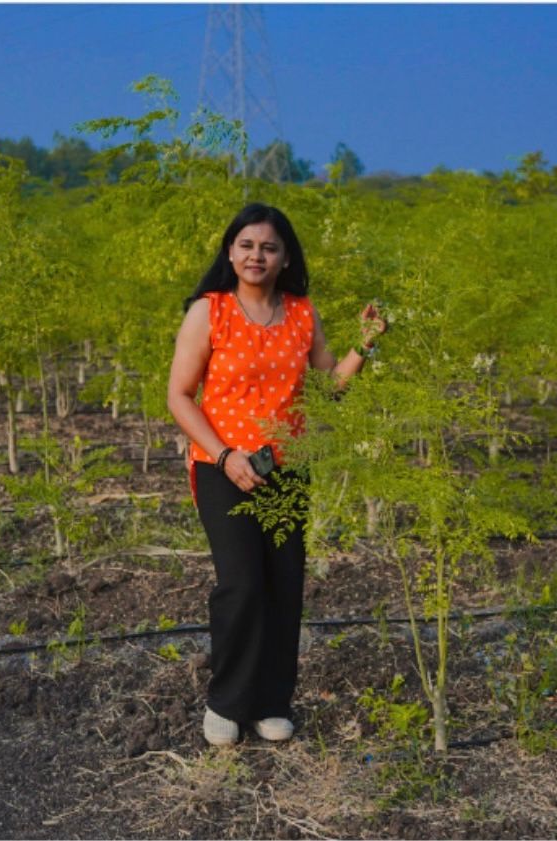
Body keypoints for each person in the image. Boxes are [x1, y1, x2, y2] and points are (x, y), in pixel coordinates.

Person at [167, 203, 386, 746]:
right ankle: (227, 699)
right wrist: (223, 455)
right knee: (241, 583)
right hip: (223, 465)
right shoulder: (208, 312)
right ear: (230, 252)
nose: (256, 255)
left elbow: (325, 388)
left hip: (287, 467)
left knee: (283, 585)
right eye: (246, 245)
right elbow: (179, 396)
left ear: (286, 257)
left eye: (268, 247)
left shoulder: (303, 314)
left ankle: (270, 701)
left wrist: (366, 344)